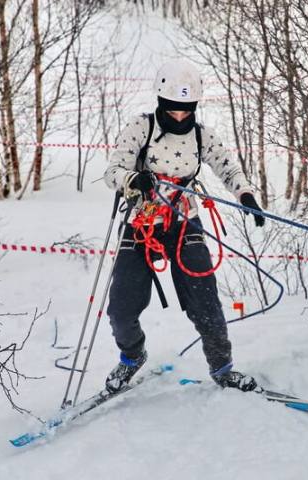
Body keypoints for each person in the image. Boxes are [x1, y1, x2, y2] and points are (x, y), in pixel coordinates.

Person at [103, 59, 266, 394]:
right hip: (141, 223)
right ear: (161, 102)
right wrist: (134, 178)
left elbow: (228, 167)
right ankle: (132, 356)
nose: (180, 116)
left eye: (187, 109)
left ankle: (222, 369)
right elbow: (113, 172)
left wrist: (245, 194)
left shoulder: (202, 135)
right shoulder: (140, 128)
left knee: (206, 303)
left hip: (183, 222)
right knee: (121, 308)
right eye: (174, 109)